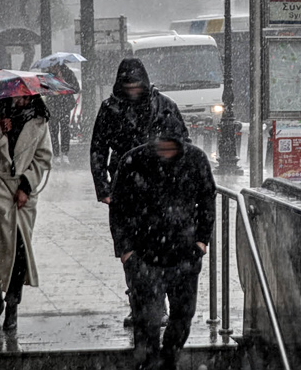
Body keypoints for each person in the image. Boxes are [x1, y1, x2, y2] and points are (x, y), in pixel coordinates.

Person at [110, 111, 216, 370]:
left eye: (172, 146)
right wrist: (126, 251)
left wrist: (201, 241)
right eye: (162, 145)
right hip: (144, 254)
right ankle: (148, 364)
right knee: (147, 321)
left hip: (184, 252)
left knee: (182, 317)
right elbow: (119, 209)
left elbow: (207, 200)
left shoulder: (195, 160)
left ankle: (167, 361)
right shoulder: (133, 161)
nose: (167, 150)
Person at [90, 57, 189, 327]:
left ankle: (160, 306)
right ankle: (139, 305)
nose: (133, 90)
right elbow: (98, 148)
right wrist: (104, 188)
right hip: (126, 192)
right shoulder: (110, 109)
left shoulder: (164, 107)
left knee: (162, 251)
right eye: (128, 85)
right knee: (130, 254)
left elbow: (184, 145)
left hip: (161, 192)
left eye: (136, 85)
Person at [0, 94, 52, 330]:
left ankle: (13, 304)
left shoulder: (39, 119)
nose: (22, 100)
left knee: (20, 253)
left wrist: (26, 186)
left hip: (22, 198)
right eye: (18, 95)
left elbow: (43, 158)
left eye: (27, 96)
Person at [46, 63, 81, 165]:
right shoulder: (47, 76)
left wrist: (63, 82)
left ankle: (65, 154)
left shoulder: (68, 73)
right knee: (53, 130)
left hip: (65, 106)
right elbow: (43, 89)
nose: (53, 68)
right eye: (52, 66)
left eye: (55, 65)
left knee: (65, 129)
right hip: (52, 106)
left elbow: (76, 89)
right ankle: (56, 154)